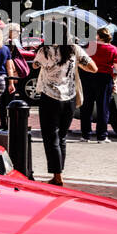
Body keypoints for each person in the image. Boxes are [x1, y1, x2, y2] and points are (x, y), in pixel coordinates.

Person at [33, 32, 99, 186]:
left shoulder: (45, 51)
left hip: (50, 97)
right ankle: (58, 174)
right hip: (69, 98)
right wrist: (76, 64)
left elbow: (35, 65)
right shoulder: (74, 49)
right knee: (62, 137)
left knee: (51, 137)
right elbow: (93, 68)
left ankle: (57, 176)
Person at [80, 25, 117, 143]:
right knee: (103, 108)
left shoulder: (91, 46)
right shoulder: (113, 49)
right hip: (104, 79)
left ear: (98, 36)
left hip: (88, 76)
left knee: (86, 107)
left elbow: (83, 59)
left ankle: (85, 135)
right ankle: (102, 136)